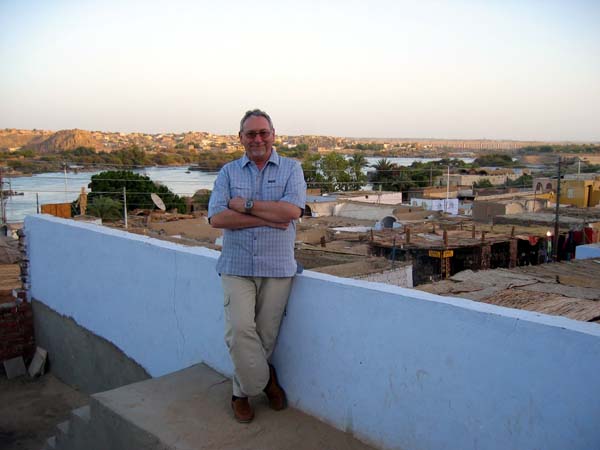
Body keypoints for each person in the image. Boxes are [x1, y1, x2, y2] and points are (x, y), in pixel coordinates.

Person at [208, 109, 306, 423]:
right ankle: (266, 381)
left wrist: (245, 206)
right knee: (238, 331)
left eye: (263, 132)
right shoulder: (227, 173)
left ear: (273, 135)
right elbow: (217, 218)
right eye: (251, 134)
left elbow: (291, 212)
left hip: (278, 267)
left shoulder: (292, 169)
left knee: (265, 336)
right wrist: (269, 216)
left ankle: (240, 393)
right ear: (241, 138)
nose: (258, 139)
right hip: (236, 265)